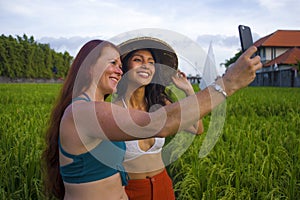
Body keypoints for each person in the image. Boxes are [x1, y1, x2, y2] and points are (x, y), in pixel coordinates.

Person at [43, 37, 262, 200]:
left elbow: (191, 127)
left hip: (160, 185)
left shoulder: (98, 109)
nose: (118, 70)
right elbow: (161, 123)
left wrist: (187, 89)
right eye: (113, 63)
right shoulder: (84, 111)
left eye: (119, 65)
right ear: (89, 67)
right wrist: (228, 83)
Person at [114, 37, 204, 200]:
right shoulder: (113, 111)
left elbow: (197, 129)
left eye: (151, 62)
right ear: (125, 66)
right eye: (137, 60)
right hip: (129, 190)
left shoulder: (160, 104)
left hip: (163, 185)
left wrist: (188, 91)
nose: (145, 65)